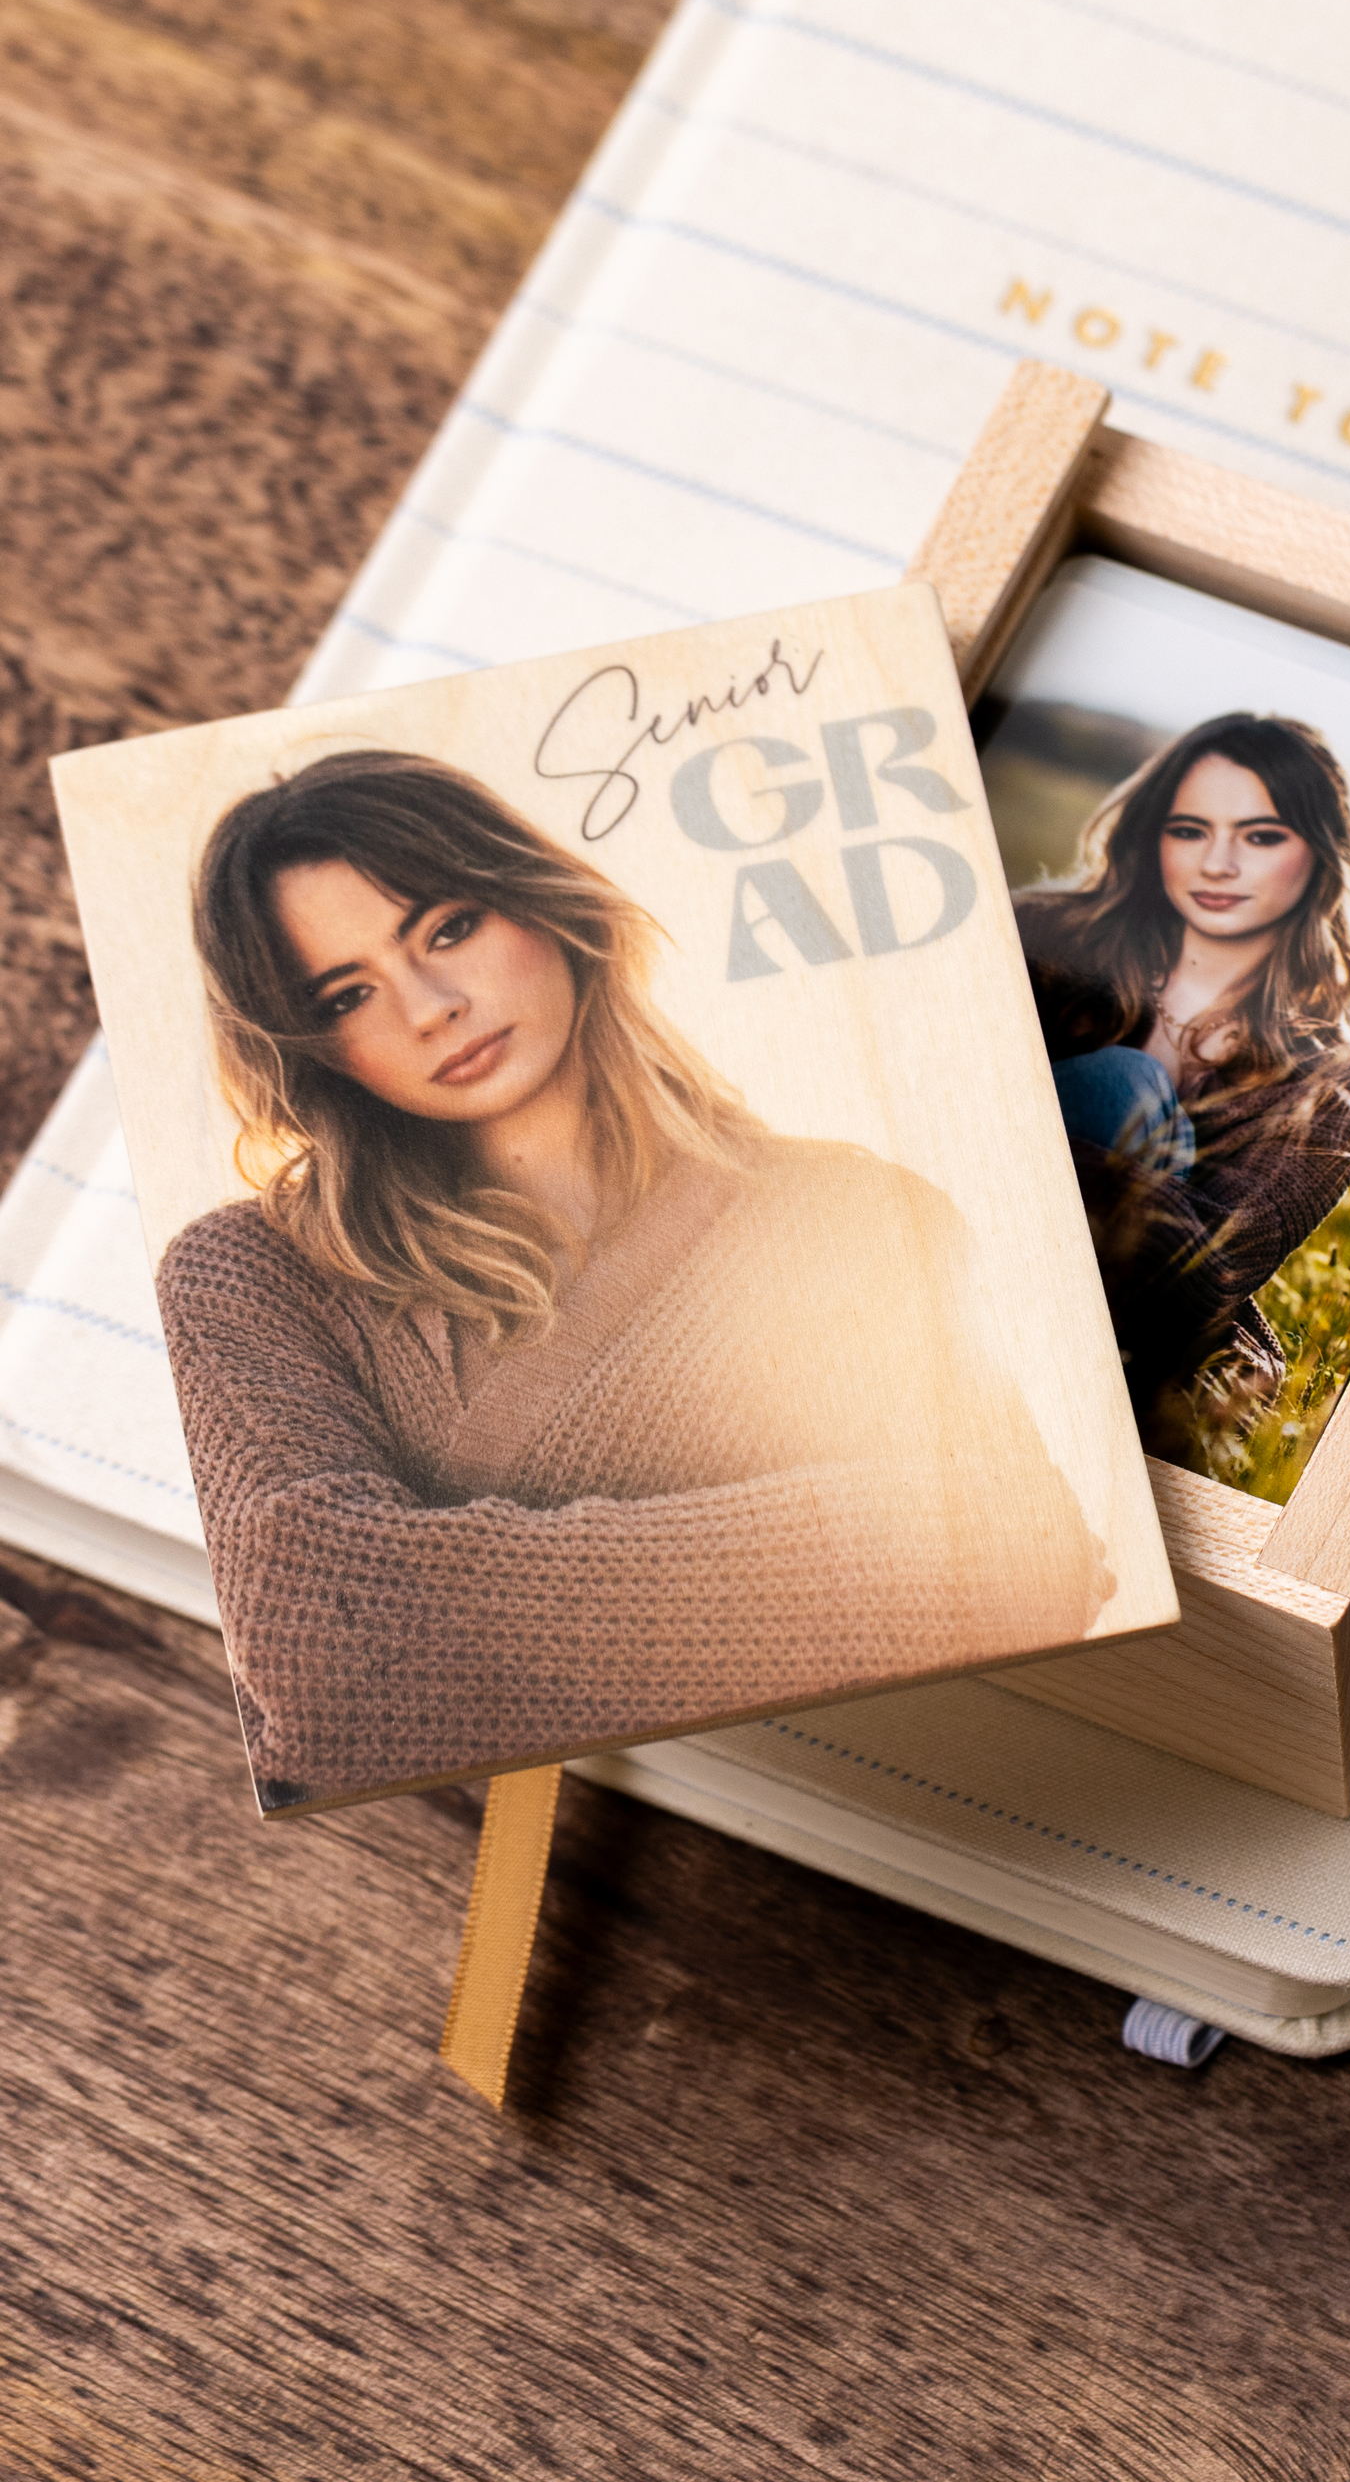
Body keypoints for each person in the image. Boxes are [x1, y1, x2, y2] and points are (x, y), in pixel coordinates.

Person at [157, 749, 1106, 1810]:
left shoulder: (857, 1214)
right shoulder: (250, 1273)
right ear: (316, 1049)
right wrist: (860, 1566)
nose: (428, 1007)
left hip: (829, 1820)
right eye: (348, 992)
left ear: (547, 905)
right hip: (406, 1858)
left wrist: (425, 1605)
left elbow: (1020, 1560)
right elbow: (313, 1643)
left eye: (448, 928)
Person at [1016, 713, 1350, 1455]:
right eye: (1189, 830)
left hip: (1114, 1318)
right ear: (1152, 837)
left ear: (1320, 855)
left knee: (1124, 1089)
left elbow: (1208, 1278)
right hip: (936, 1230)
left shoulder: (1336, 1082)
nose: (1218, 863)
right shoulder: (1037, 938)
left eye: (1260, 836)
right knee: (1124, 1084)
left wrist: (1022, 1145)